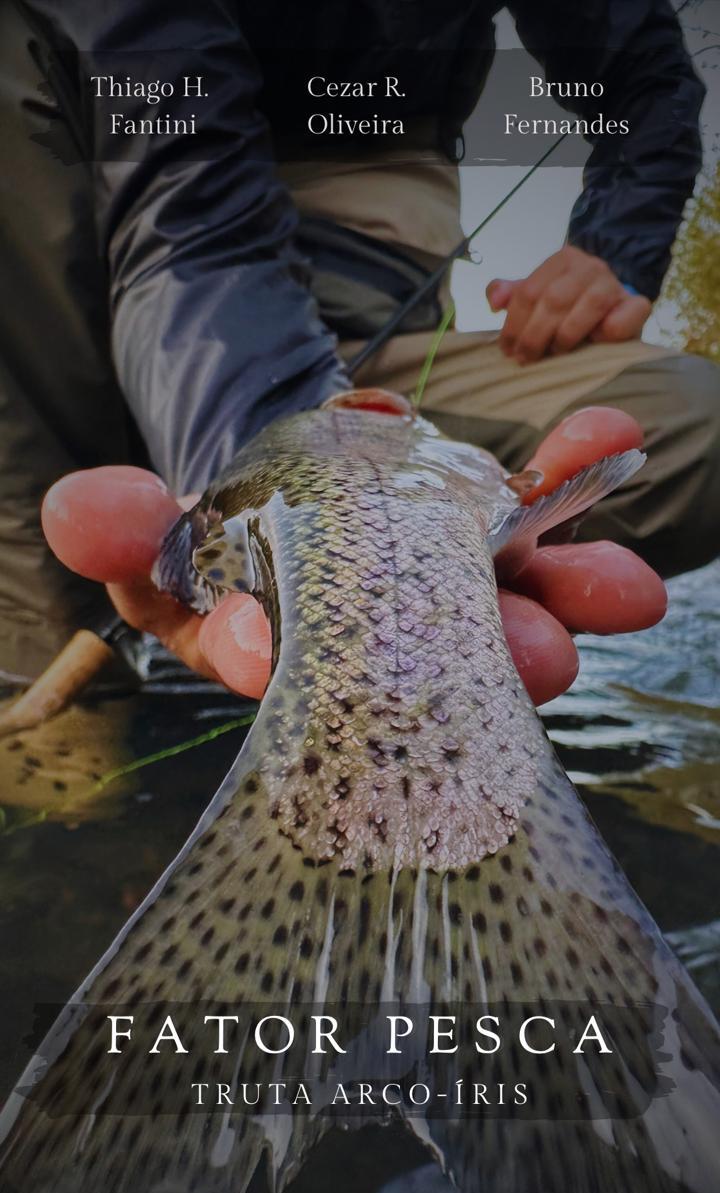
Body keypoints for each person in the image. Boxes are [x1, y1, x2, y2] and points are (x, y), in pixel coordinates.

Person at [0, 0, 716, 700]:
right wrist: (269, 472)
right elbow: (186, 186)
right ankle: (49, 663)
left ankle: (429, 656)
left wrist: (622, 235)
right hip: (127, 194)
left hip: (374, 256)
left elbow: (641, 64)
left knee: (696, 427)